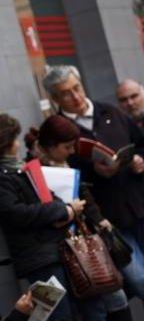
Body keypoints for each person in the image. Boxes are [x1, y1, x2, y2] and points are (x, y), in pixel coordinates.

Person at [43, 66, 144, 299]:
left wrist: (140, 159)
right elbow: (63, 178)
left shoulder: (110, 112)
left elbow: (140, 143)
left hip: (139, 203)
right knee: (137, 277)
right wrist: (94, 171)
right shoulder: (57, 130)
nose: (76, 97)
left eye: (77, 88)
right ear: (55, 98)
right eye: (66, 93)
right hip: (108, 218)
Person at [0, 113, 82, 321]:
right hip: (38, 257)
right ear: (3, 144)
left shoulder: (17, 167)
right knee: (59, 314)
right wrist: (62, 210)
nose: (17, 143)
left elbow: (42, 198)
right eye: (14, 139)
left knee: (74, 311)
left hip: (56, 250)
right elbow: (16, 214)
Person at [33, 115, 133, 321]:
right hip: (66, 247)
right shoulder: (35, 170)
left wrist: (99, 219)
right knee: (94, 304)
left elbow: (83, 193)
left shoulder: (65, 162)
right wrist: (70, 209)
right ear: (50, 146)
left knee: (115, 293)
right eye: (67, 147)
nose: (71, 151)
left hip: (88, 239)